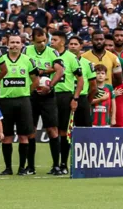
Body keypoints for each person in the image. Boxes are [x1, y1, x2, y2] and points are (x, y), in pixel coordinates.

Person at [0, 34, 38, 176]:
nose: (14, 45)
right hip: (6, 101)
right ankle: (8, 168)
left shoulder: (28, 61)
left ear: (22, 45)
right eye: (12, 42)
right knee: (6, 136)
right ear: (7, 44)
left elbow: (35, 81)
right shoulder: (1, 61)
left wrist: (27, 92)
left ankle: (22, 167)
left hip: (23, 101)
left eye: (17, 42)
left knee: (23, 135)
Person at [23, 28, 63, 175]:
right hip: (32, 95)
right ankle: (31, 167)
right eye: (38, 41)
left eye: (44, 40)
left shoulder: (52, 52)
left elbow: (60, 70)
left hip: (48, 96)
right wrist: (43, 71)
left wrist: (50, 85)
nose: (42, 44)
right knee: (31, 130)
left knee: (52, 130)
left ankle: (56, 166)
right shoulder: (26, 51)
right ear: (32, 40)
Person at [51, 31, 83, 175]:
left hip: (64, 96)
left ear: (62, 42)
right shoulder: (49, 55)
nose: (52, 42)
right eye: (51, 39)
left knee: (64, 131)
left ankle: (64, 164)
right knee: (52, 130)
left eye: (55, 40)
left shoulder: (71, 58)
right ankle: (55, 164)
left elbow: (80, 80)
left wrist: (75, 98)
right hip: (49, 96)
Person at [69, 36, 96, 127]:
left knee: (84, 129)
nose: (73, 46)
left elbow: (93, 87)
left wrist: (86, 103)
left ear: (81, 46)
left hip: (82, 98)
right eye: (71, 44)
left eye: (75, 44)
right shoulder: (62, 61)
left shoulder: (87, 63)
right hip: (66, 96)